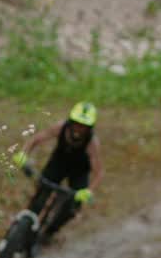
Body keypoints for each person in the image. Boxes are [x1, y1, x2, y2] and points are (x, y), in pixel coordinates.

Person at [11, 101, 103, 245]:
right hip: (58, 163)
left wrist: (88, 191)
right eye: (77, 123)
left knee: (72, 206)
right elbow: (36, 139)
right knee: (41, 193)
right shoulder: (60, 128)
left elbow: (98, 172)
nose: (79, 129)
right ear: (71, 121)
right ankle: (27, 223)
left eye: (84, 126)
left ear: (90, 128)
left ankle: (49, 232)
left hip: (79, 172)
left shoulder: (92, 143)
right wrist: (23, 153)